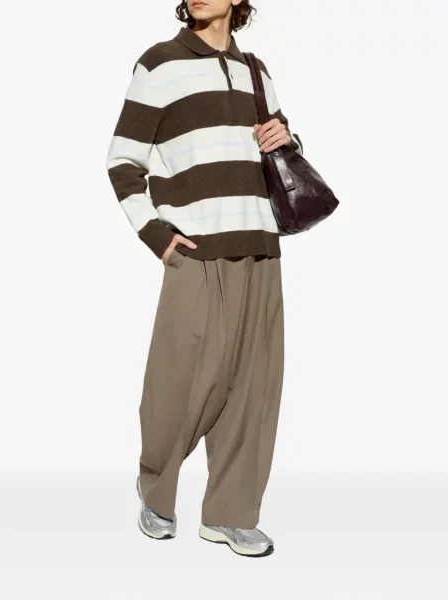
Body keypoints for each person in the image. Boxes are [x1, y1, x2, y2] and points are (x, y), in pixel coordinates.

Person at [106, 0, 302, 558]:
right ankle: (156, 491)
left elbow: (281, 155)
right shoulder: (159, 63)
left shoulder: (256, 71)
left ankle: (230, 515)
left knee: (253, 391)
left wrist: (286, 138)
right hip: (195, 249)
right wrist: (156, 234)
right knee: (178, 383)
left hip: (259, 244)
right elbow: (123, 161)